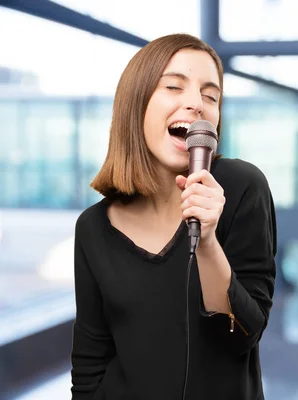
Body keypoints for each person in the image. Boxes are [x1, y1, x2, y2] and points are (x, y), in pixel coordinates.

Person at [70, 33, 277, 399]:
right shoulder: (92, 228)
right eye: (174, 87)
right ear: (137, 104)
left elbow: (242, 336)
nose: (196, 104)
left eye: (211, 96)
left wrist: (208, 240)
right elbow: (89, 365)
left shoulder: (242, 188)